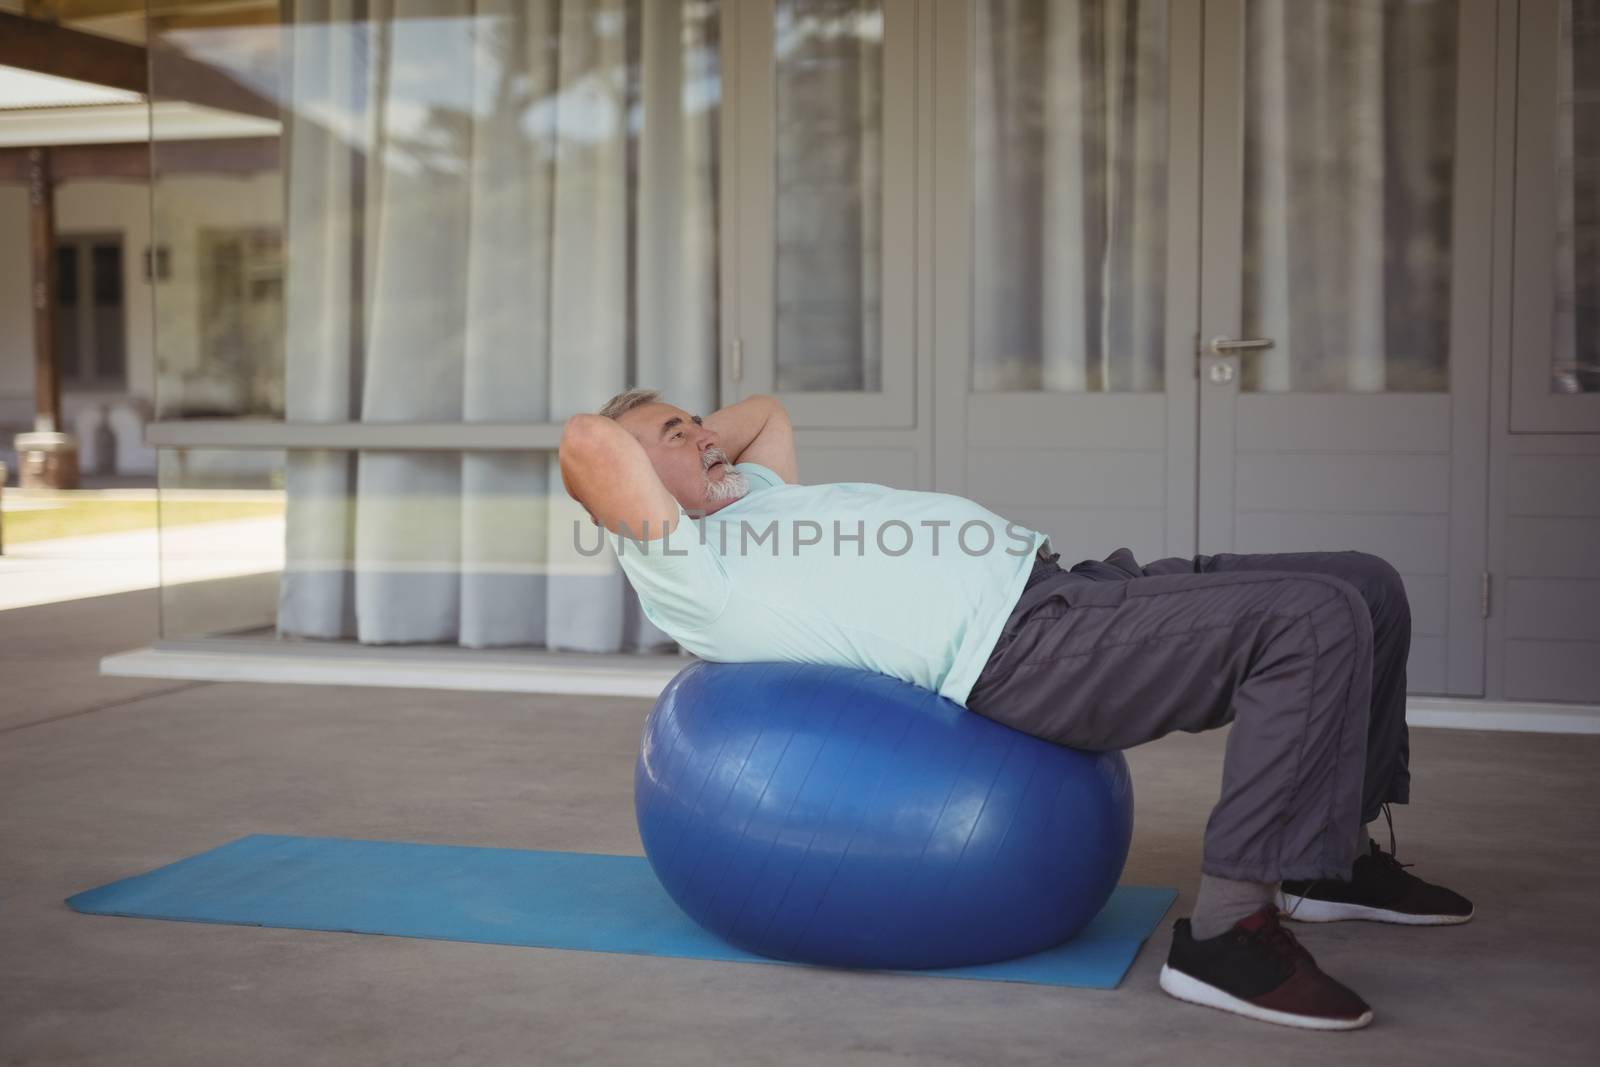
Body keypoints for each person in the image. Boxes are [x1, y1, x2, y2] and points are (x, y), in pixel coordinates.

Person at [559, 388, 1473, 1032]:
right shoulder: (683, 568)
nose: (706, 435)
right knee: (1310, 622)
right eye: (673, 432)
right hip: (1022, 650)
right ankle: (1229, 934)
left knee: (1366, 584)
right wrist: (653, 450)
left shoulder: (754, 500)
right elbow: (584, 445)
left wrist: (696, 446)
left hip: (1068, 585)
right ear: (629, 490)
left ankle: (1330, 862)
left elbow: (767, 412)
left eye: (692, 420)